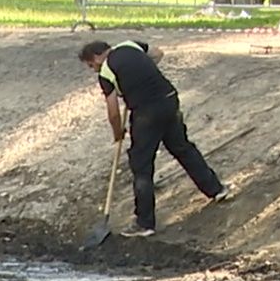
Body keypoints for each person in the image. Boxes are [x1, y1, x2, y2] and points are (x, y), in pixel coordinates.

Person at [78, 39, 232, 238]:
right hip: (169, 100)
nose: (93, 70)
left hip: (146, 113)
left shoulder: (106, 72)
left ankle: (144, 223)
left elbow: (113, 112)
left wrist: (117, 132)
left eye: (91, 65)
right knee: (182, 148)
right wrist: (140, 75)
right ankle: (216, 189)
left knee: (141, 165)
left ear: (97, 56)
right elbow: (158, 53)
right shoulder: (130, 45)